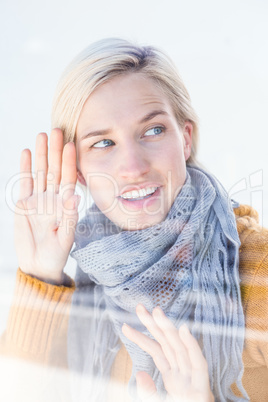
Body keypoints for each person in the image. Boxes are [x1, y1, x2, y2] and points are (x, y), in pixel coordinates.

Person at [1, 38, 268, 402]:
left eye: (153, 130)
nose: (133, 168)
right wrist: (40, 273)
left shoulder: (258, 271)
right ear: (76, 170)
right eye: (103, 143)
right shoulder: (86, 283)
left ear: (185, 139)